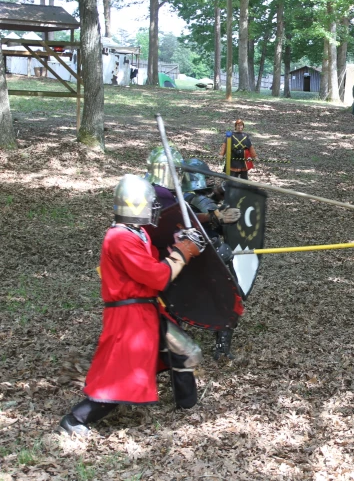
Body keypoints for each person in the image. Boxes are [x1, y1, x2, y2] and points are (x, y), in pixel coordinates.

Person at [59, 175, 206, 436]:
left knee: (186, 351)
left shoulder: (136, 233)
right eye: (150, 203)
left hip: (147, 312)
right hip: (129, 318)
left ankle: (188, 410)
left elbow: (154, 265)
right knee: (122, 378)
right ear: (136, 206)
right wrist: (183, 251)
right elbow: (157, 276)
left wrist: (178, 243)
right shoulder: (118, 238)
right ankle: (75, 420)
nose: (154, 207)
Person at [181, 159, 244, 359]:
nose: (209, 181)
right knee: (229, 297)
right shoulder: (197, 200)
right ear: (197, 178)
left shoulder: (179, 196)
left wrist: (220, 193)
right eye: (206, 177)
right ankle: (222, 348)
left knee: (183, 301)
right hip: (209, 257)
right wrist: (221, 211)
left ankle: (176, 338)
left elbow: (206, 205)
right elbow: (215, 221)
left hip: (185, 257)